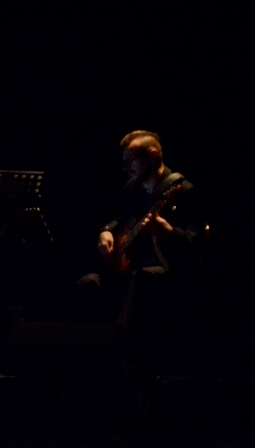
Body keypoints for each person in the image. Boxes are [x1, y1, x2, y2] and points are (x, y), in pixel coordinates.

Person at [79, 131, 206, 370]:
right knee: (89, 283)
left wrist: (169, 233)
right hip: (132, 264)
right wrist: (106, 230)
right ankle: (85, 358)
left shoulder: (183, 190)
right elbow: (122, 219)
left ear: (153, 155)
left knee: (143, 280)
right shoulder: (133, 187)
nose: (126, 167)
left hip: (169, 269)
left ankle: (122, 358)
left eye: (131, 161)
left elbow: (197, 239)